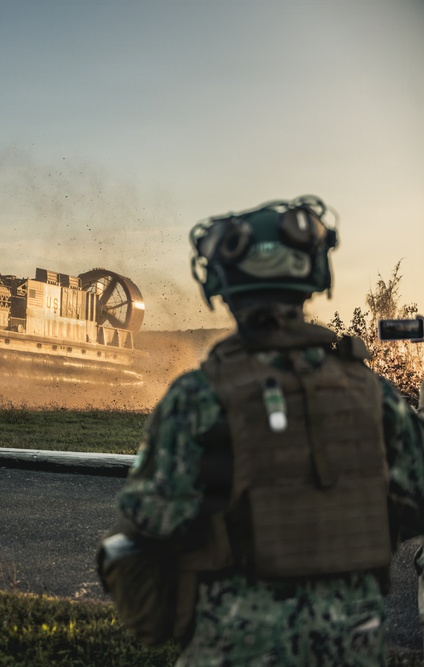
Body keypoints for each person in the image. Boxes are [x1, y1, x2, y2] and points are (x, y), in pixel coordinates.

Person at [98, 195, 424, 665]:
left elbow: (148, 525)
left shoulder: (197, 397)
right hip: (352, 645)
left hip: (235, 646)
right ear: (315, 276)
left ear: (220, 284)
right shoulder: (375, 395)